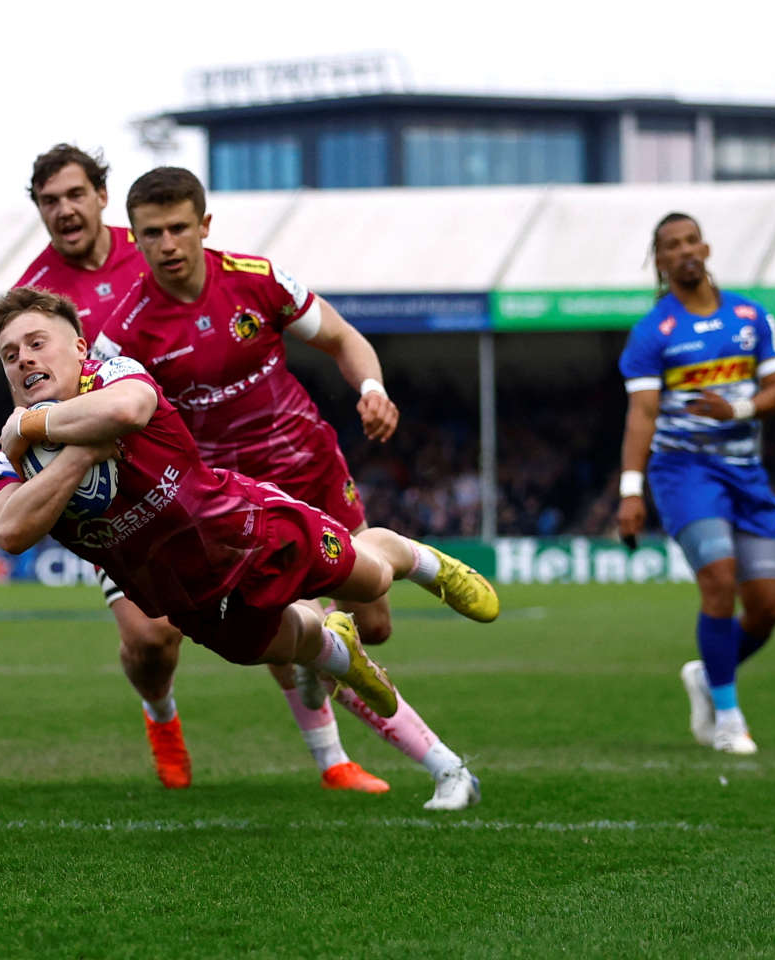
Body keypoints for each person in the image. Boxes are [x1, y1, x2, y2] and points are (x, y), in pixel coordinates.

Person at [88, 165, 485, 809]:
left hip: (310, 465)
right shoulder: (124, 333)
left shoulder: (257, 279)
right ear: (134, 238)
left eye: (178, 228)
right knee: (279, 610)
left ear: (204, 226)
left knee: (373, 624)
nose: (166, 244)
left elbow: (341, 337)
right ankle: (333, 753)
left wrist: (372, 389)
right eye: (151, 233)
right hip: (233, 496)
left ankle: (385, 585)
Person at [16, 145, 397, 798]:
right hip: (156, 483)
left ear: (103, 199)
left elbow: (326, 331)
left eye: (74, 194)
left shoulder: (174, 251)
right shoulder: (41, 295)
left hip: (295, 457)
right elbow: (37, 391)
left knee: (373, 622)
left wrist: (371, 387)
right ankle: (183, 724)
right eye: (49, 201)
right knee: (152, 642)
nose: (64, 210)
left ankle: (334, 668)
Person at [0, 288, 499, 757]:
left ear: (80, 349)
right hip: (188, 598)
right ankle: (344, 660)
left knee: (373, 581)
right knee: (286, 645)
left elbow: (130, 411)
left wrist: (32, 422)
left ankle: (431, 566)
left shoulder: (114, 377)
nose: (25, 358)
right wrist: (77, 457)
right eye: (11, 354)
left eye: (37, 342)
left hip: (249, 529)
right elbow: (8, 530)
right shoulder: (6, 463)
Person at [617, 212, 775, 755]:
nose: (685, 250)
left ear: (707, 247)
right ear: (661, 262)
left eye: (692, 239)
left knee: (767, 608)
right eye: (672, 245)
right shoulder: (653, 331)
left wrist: (737, 407)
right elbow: (642, 414)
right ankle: (728, 718)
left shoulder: (751, 315)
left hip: (746, 474)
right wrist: (630, 491)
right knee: (718, 578)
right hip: (684, 472)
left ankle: (705, 673)